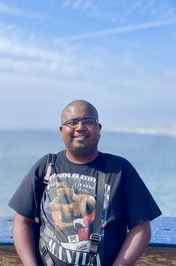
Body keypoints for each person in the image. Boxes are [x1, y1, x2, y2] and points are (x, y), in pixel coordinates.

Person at [9, 99, 162, 266]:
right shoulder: (47, 166)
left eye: (88, 121)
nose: (80, 127)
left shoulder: (119, 169)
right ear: (62, 131)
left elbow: (141, 228)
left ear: (99, 129)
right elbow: (22, 221)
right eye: (72, 122)